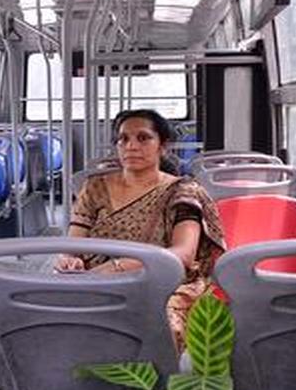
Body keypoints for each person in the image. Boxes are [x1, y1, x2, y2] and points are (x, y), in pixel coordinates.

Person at [55, 109, 226, 349]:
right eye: (123, 139)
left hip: (163, 282)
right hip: (94, 280)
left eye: (143, 138)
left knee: (160, 324)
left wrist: (119, 266)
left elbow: (184, 254)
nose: (131, 146)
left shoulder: (183, 192)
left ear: (162, 146)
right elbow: (74, 244)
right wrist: (69, 259)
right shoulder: (94, 188)